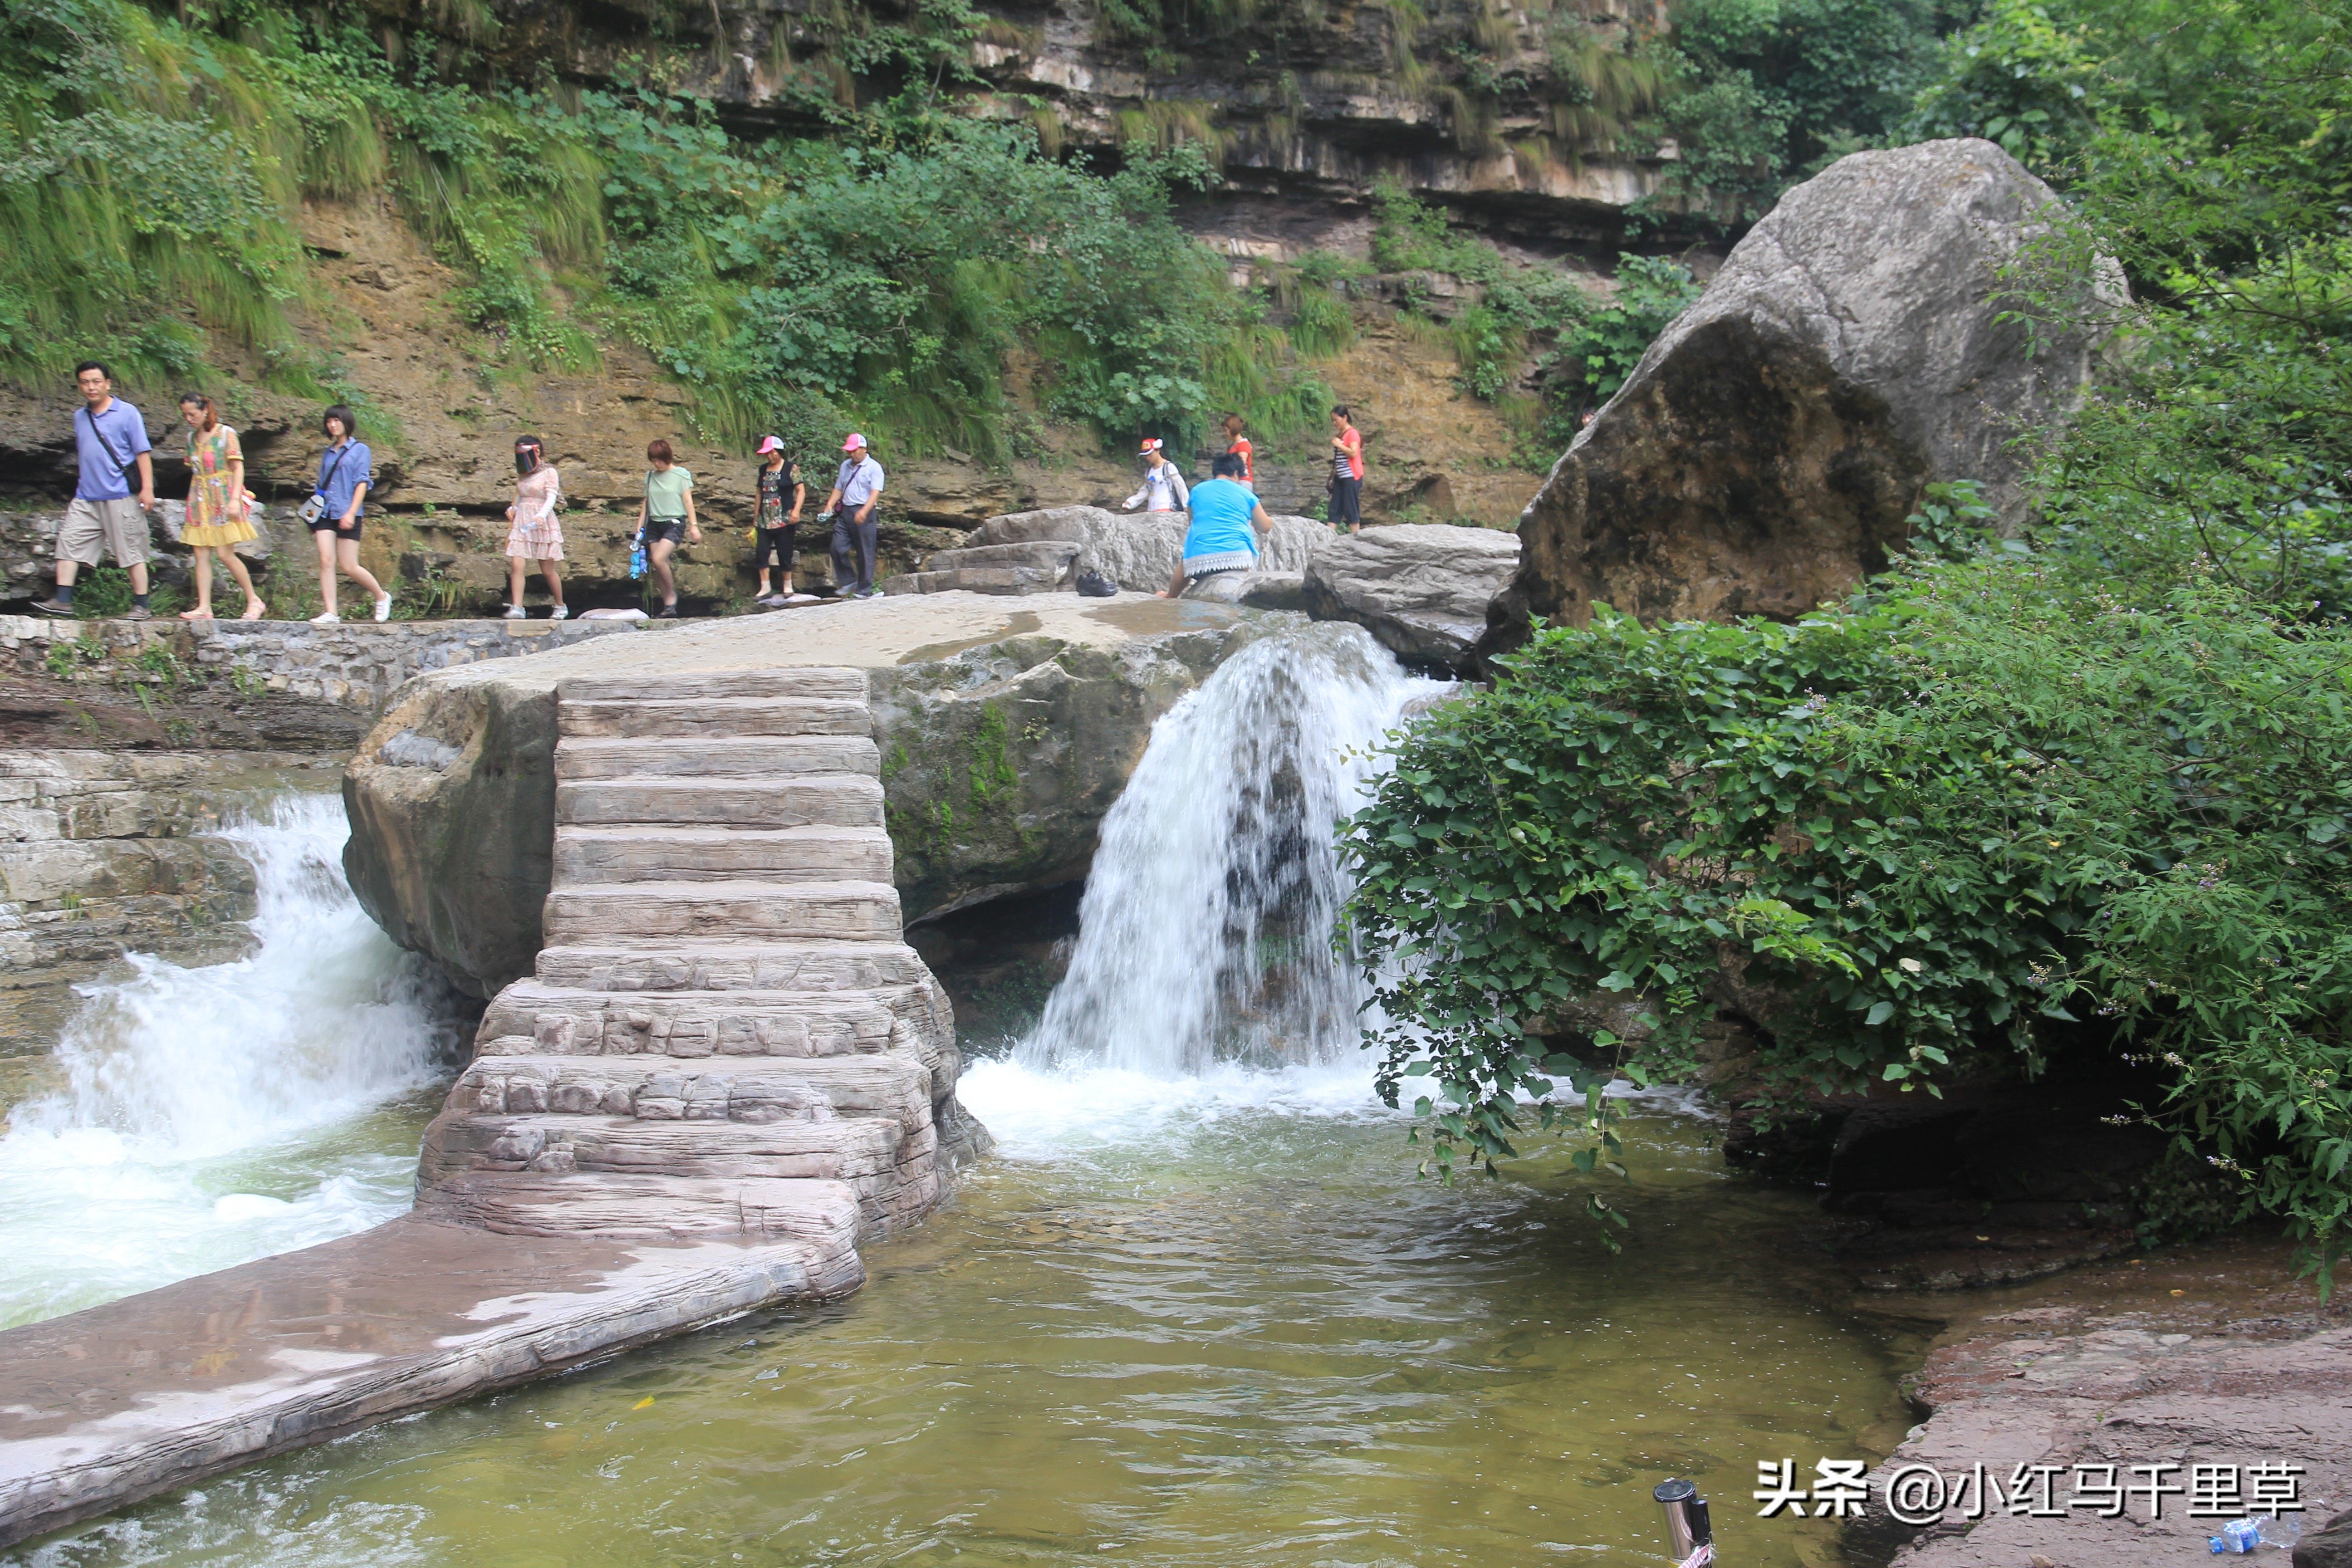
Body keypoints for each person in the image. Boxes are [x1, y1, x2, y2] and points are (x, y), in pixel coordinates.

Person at [38, 362, 156, 619]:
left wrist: (147, 489)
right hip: (86, 496)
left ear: (107, 383)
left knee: (131, 551)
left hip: (121, 495)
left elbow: (142, 453)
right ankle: (63, 601)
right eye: (85, 382)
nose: (91, 387)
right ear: (80, 386)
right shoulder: (81, 417)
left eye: (96, 381)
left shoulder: (127, 413)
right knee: (68, 544)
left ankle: (142, 606)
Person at [175, 394, 265, 622]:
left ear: (205, 410)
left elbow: (238, 468)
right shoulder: (191, 438)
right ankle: (205, 607)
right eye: (185, 415)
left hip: (222, 496)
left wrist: (235, 500)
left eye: (192, 414)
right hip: (199, 498)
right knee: (201, 553)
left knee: (226, 553)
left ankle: (254, 600)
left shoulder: (226, 434)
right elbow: (194, 468)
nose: (189, 419)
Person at [308, 404, 392, 625]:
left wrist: (352, 513)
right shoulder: (328, 453)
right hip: (325, 512)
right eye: (329, 421)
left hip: (347, 510)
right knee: (326, 560)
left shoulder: (360, 450)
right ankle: (331, 612)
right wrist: (312, 516)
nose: (333, 425)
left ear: (346, 422)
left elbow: (362, 482)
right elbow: (321, 485)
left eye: (337, 420)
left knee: (349, 566)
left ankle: (382, 596)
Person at [1156, 452, 1270, 598]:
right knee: (1243, 552)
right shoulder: (1246, 494)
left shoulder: (1198, 490)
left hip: (1199, 563)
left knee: (1185, 562)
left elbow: (1192, 521)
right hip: (1238, 561)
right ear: (1236, 473)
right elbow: (1265, 527)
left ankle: (1170, 595)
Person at [634, 438, 702, 619]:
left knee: (658, 558)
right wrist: (639, 527)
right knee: (658, 565)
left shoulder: (681, 474)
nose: (657, 464)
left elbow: (688, 500)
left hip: (674, 523)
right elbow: (646, 502)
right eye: (653, 460)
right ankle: (668, 606)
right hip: (654, 524)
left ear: (668, 457)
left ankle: (672, 595)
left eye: (659, 460)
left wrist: (694, 526)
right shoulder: (650, 476)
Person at [503, 435, 567, 620]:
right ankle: (518, 607)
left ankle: (560, 605)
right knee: (517, 564)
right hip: (523, 520)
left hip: (542, 521)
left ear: (537, 451)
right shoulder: (524, 473)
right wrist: (513, 508)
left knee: (547, 569)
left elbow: (551, 496)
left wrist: (541, 515)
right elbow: (522, 496)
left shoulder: (549, 472)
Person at [821, 433, 886, 599]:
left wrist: (864, 511)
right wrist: (830, 504)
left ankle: (863, 591)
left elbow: (875, 493)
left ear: (864, 449)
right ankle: (849, 580)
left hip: (865, 511)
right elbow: (839, 488)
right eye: (849, 451)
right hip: (846, 512)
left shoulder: (874, 468)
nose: (851, 454)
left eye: (854, 451)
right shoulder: (846, 466)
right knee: (837, 546)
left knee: (865, 552)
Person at [751, 436, 808, 606]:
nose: (770, 456)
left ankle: (787, 585)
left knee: (785, 551)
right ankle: (765, 587)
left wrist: (796, 511)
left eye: (772, 453)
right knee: (762, 551)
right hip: (765, 518)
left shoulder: (791, 468)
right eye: (767, 454)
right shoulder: (763, 470)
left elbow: (801, 490)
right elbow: (759, 493)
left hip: (785, 517)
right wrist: (755, 516)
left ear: (779, 452)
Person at [1122, 438, 1189, 513]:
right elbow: (1146, 490)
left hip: (1165, 509)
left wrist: (1187, 506)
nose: (1148, 457)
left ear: (1158, 451)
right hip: (1151, 510)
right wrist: (1131, 502)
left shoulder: (1168, 467)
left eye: (1150, 454)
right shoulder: (1149, 471)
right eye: (1146, 455)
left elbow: (1181, 487)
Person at [1328, 404, 1364, 535]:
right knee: (1334, 508)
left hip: (1351, 477)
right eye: (1333, 420)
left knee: (1351, 508)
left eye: (1336, 420)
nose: (1334, 423)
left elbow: (1354, 453)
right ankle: (1328, 538)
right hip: (1340, 477)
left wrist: (1339, 445)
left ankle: (1357, 538)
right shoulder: (1341, 434)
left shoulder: (1352, 434)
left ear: (1345, 418)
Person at [1221, 412, 1255, 489]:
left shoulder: (1244, 445)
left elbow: (1241, 463)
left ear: (1233, 429)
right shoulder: (1233, 445)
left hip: (1242, 481)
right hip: (1234, 480)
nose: (1225, 433)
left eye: (1226, 430)